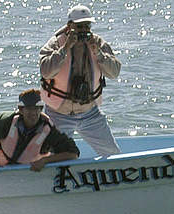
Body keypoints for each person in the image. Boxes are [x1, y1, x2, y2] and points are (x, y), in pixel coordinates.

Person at [39, 4, 122, 157]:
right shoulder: (55, 43)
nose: (83, 30)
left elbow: (114, 72)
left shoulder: (97, 43)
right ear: (69, 26)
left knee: (112, 154)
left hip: (90, 112)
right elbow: (46, 71)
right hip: (59, 113)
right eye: (79, 26)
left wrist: (98, 53)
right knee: (50, 157)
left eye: (87, 26)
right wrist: (65, 48)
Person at [0, 89, 80, 174]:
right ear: (21, 110)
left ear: (41, 109)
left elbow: (73, 153)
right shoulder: (5, 121)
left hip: (24, 172)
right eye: (29, 108)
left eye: (37, 108)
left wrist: (44, 161)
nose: (33, 113)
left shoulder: (48, 129)